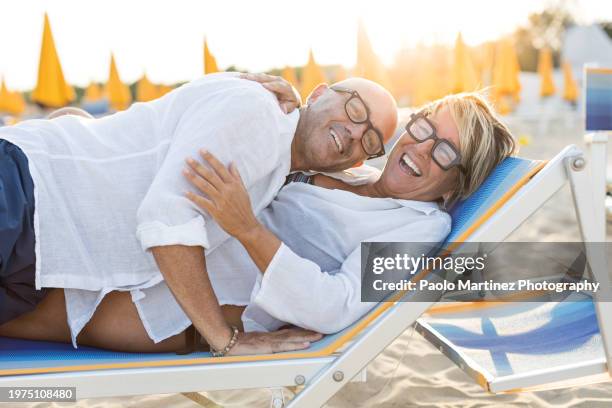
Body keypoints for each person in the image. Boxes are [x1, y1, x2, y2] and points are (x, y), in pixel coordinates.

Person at [0, 74, 517, 354]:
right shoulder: (347, 166)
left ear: (459, 182)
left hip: (145, 295)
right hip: (104, 247)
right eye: (426, 128)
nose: (423, 150)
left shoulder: (419, 228)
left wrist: (247, 229)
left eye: (447, 154)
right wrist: (255, 95)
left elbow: (333, 305)